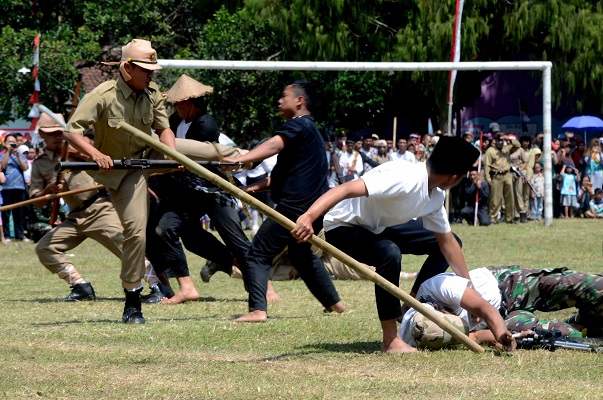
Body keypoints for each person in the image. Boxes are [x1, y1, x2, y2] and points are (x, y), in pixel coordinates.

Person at [63, 39, 243, 324]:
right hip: (124, 171)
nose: (151, 74)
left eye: (152, 69)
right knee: (136, 232)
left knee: (197, 147)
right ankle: (133, 300)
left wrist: (171, 153)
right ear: (127, 68)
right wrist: (96, 154)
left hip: (152, 154)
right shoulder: (103, 95)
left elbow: (163, 129)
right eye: (146, 69)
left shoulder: (152, 93)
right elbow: (72, 132)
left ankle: (245, 155)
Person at [292, 136, 480, 354]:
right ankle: (390, 340)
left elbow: (447, 244)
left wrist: (470, 288)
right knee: (389, 252)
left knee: (452, 240)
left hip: (378, 227)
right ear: (453, 178)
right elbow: (346, 189)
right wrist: (308, 217)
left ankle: (411, 303)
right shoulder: (402, 176)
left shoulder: (435, 196)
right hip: (344, 227)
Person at [145, 74, 280, 304]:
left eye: (178, 103)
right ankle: (187, 287)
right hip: (186, 191)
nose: (174, 107)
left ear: (189, 102)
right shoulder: (175, 123)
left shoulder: (206, 124)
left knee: (235, 240)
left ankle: (265, 287)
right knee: (170, 230)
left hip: (214, 189)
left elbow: (194, 156)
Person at [223, 80, 344, 323]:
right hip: (312, 207)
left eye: (284, 96)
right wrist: (251, 188)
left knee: (257, 254)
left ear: (299, 100)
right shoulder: (308, 132)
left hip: (295, 207)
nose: (279, 101)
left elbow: (273, 144)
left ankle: (258, 310)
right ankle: (335, 304)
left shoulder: (298, 126)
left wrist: (241, 160)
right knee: (301, 255)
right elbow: (280, 175)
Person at [398, 267, 516, 351]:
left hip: (504, 283)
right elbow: (476, 336)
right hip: (500, 317)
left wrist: (500, 331)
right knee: (529, 331)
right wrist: (502, 340)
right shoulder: (436, 337)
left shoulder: (438, 288)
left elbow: (486, 308)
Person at [484, 133, 520, 224]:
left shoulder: (507, 148)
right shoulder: (490, 151)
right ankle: (493, 218)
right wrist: (488, 179)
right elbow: (487, 166)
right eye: (498, 141)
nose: (500, 142)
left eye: (501, 141)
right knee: (495, 199)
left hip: (507, 175)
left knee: (510, 198)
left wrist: (508, 139)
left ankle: (509, 218)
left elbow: (518, 145)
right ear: (495, 141)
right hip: (496, 176)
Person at [1, 133, 30, 242]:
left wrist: (18, 155)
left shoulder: (21, 155)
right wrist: (8, 152)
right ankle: (7, 236)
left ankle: (20, 235)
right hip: (6, 188)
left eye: (14, 142)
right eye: (9, 142)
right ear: (5, 143)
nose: (12, 144)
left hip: (20, 188)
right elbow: (2, 166)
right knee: (6, 214)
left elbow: (25, 168)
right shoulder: (2, 155)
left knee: (19, 214)